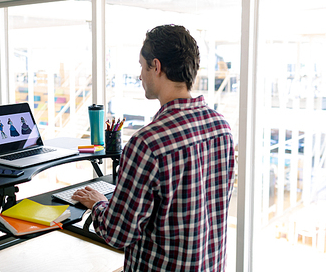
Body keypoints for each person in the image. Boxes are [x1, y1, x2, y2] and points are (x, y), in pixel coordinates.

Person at [71, 24, 236, 271]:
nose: (140, 75)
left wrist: (97, 203)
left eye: (141, 65)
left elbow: (117, 234)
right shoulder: (221, 128)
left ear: (156, 67)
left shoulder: (147, 143)